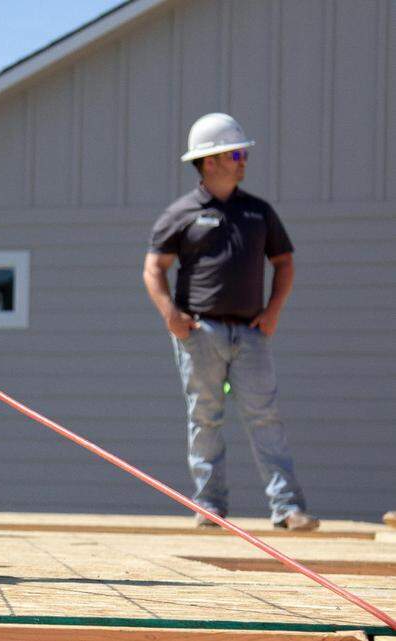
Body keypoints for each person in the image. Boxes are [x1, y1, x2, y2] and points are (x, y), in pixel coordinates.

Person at [143, 112, 319, 531]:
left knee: (265, 417)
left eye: (242, 153)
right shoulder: (181, 213)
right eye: (235, 153)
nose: (243, 160)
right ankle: (210, 509)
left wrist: (273, 311)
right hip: (201, 332)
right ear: (209, 161)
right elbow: (153, 268)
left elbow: (285, 262)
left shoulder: (258, 212)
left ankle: (287, 509)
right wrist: (171, 316)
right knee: (204, 417)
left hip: (251, 334)